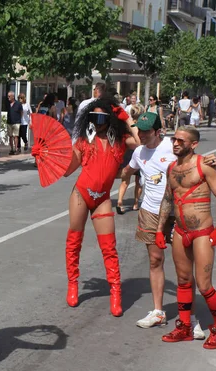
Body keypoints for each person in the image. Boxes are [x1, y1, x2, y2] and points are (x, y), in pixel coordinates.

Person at [121, 114, 216, 335]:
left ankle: (190, 318)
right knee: (155, 260)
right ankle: (158, 312)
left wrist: (211, 160)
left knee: (184, 271)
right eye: (140, 131)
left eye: (146, 131)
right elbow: (127, 171)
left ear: (157, 131)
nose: (142, 135)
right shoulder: (138, 152)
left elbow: (196, 162)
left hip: (179, 215)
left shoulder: (171, 146)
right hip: (150, 211)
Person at [62, 96, 140, 317]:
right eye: (93, 117)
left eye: (101, 117)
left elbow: (142, 142)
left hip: (102, 199)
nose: (97, 121)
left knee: (109, 248)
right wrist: (46, 158)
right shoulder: (83, 142)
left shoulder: (121, 141)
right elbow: (67, 170)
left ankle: (116, 292)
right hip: (81, 194)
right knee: (74, 242)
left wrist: (126, 118)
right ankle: (73, 285)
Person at [155, 125, 216, 349]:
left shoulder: (204, 166)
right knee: (184, 282)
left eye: (181, 141)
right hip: (180, 231)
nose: (175, 143)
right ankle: (185, 327)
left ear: (193, 144)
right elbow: (168, 200)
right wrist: (160, 229)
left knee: (205, 285)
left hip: (202, 233)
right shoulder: (171, 168)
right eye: (174, 139)